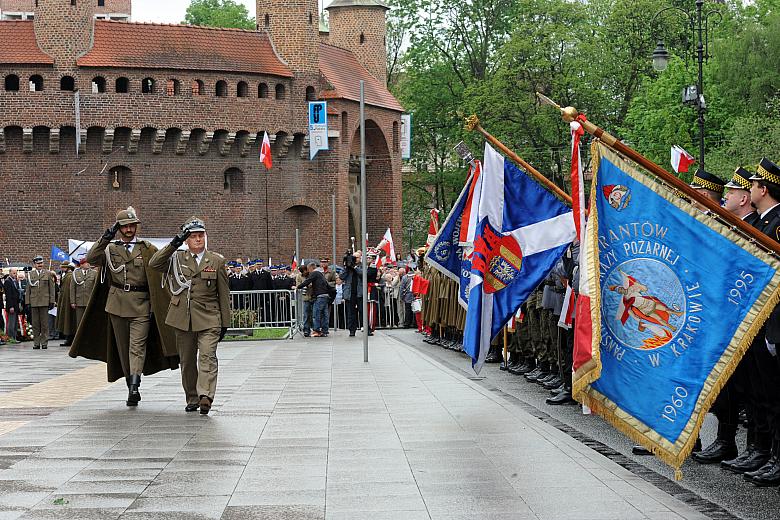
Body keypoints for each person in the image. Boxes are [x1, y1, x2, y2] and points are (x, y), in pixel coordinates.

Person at [71, 206, 177, 407]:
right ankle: (130, 382)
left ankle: (134, 386)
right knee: (123, 348)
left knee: (137, 347)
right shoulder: (110, 249)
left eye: (132, 226)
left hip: (141, 304)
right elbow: (92, 258)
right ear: (119, 228)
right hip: (117, 303)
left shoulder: (146, 249)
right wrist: (105, 237)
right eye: (125, 226)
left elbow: (160, 264)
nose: (129, 230)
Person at [150, 217, 230, 415]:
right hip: (182, 316)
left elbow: (223, 294)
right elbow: (155, 263)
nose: (198, 239)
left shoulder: (216, 261)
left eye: (200, 235)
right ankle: (192, 397)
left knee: (207, 356)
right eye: (193, 236)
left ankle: (206, 396)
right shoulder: (177, 258)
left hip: (209, 316)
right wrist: (175, 242)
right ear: (187, 240)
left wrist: (225, 323)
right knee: (186, 361)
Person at [26, 255, 56, 350]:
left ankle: (44, 343)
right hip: (34, 301)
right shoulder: (31, 275)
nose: (40, 265)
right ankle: (36, 343)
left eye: (41, 263)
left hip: (44, 301)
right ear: (34, 264)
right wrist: (27, 302)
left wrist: (52, 301)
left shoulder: (48, 273)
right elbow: (28, 290)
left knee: (44, 324)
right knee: (35, 324)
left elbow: (52, 289)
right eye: (38, 263)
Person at [296, 261, 332, 337]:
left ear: (311, 268)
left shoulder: (315, 273)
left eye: (308, 269)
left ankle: (317, 330)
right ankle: (324, 331)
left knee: (317, 314)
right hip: (324, 295)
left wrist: (298, 287)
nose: (308, 271)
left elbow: (307, 281)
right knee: (324, 314)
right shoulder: (321, 274)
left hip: (319, 296)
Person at [70, 260, 97, 329]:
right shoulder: (75, 273)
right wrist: (72, 301)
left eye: (88, 263)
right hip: (79, 301)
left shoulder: (94, 273)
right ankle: (79, 339)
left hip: (90, 301)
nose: (88, 264)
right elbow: (72, 288)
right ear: (81, 265)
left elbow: (96, 288)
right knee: (79, 322)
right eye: (86, 263)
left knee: (90, 321)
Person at [55, 261, 76, 347]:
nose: (62, 268)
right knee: (67, 320)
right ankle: (69, 338)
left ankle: (70, 339)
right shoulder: (67, 276)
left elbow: (68, 290)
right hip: (65, 300)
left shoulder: (69, 276)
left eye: (63, 267)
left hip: (67, 301)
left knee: (68, 320)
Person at [3, 268, 22, 341]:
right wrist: (11, 306)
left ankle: (14, 337)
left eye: (16, 273)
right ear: (10, 272)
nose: (15, 274)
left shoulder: (15, 281)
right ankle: (10, 338)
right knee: (11, 322)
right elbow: (9, 295)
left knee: (15, 323)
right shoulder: (8, 281)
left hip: (16, 305)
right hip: (11, 305)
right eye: (14, 273)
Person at [296, 264, 313, 337]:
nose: (304, 273)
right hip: (305, 297)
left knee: (314, 315)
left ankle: (315, 329)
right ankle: (306, 330)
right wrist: (306, 284)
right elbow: (298, 285)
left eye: (305, 271)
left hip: (313, 296)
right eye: (303, 272)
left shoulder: (311, 274)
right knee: (306, 315)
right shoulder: (299, 276)